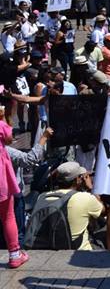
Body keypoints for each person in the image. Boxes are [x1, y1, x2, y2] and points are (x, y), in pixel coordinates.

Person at [25, 162, 104, 251]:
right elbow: (104, 210)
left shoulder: (42, 196)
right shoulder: (84, 198)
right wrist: (91, 187)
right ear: (77, 179)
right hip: (78, 250)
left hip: (45, 247)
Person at [0, 112, 27, 268]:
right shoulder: (1, 125)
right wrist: (3, 119)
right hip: (1, 181)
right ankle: (15, 255)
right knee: (8, 217)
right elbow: (9, 139)